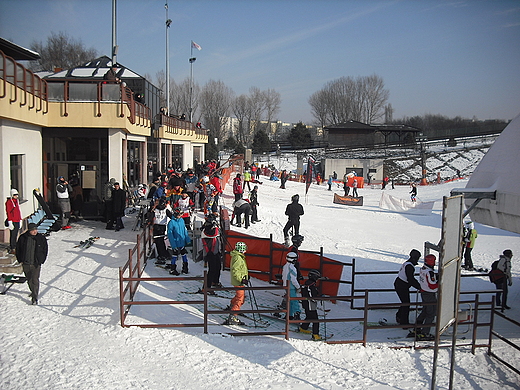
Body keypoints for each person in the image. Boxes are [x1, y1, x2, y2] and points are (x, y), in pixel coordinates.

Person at [16, 223, 48, 305]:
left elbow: (45, 250)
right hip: (26, 263)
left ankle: (35, 297)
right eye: (33, 230)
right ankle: (32, 291)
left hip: (36, 263)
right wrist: (20, 259)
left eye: (36, 229)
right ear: (29, 230)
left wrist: (41, 260)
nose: (35, 231)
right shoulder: (23, 238)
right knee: (29, 279)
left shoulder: (41, 238)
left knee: (35, 280)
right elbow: (18, 249)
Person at [412, 254, 438, 340]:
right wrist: (440, 283)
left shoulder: (423, 269)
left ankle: (417, 328)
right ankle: (425, 332)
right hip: (429, 293)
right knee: (431, 313)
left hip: (424, 292)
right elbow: (432, 285)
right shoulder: (430, 272)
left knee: (425, 311)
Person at [394, 249, 422, 326]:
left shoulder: (407, 264)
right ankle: (404, 323)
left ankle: (399, 316)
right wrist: (419, 287)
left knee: (405, 302)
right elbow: (410, 279)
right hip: (401, 286)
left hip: (400, 284)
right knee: (406, 304)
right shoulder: (409, 266)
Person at [226, 241, 249, 325]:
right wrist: (241, 279)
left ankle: (233, 307)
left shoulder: (238, 256)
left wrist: (245, 277)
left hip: (239, 280)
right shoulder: (238, 258)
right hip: (238, 281)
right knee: (240, 298)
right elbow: (236, 271)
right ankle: (233, 315)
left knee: (239, 296)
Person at [298, 269, 325, 341]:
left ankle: (303, 328)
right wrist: (319, 297)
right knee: (316, 320)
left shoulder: (307, 283)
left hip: (305, 303)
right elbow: (312, 296)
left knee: (309, 317)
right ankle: (315, 334)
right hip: (310, 304)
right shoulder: (311, 285)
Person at [166, 207, 191, 275]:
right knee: (175, 255)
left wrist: (187, 239)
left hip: (181, 241)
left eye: (180, 214)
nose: (179, 216)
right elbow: (170, 234)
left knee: (184, 254)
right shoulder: (171, 222)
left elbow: (184, 230)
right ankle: (172, 268)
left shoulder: (181, 220)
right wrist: (173, 245)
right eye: (178, 215)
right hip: (175, 242)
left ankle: (185, 267)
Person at [200, 215, 222, 290]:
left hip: (216, 251)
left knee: (218, 267)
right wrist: (215, 227)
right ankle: (206, 287)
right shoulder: (205, 230)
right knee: (211, 270)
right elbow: (214, 234)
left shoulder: (211, 227)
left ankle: (215, 281)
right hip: (209, 252)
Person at [151, 196, 171, 265]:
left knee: (161, 241)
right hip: (156, 225)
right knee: (157, 241)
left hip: (162, 226)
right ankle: (162, 254)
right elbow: (150, 215)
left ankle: (163, 254)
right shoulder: (155, 210)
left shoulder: (165, 210)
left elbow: (171, 216)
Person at [282, 251, 301, 320]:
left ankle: (289, 315)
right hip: (291, 287)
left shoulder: (285, 266)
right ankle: (297, 313)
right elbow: (293, 279)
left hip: (285, 286)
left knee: (289, 301)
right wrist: (298, 287)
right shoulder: (292, 268)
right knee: (294, 301)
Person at [5, 189, 22, 254]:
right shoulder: (9, 202)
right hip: (12, 220)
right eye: (15, 195)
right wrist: (10, 221)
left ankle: (15, 246)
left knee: (16, 234)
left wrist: (20, 219)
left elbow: (18, 211)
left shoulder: (16, 201)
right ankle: (12, 247)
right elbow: (8, 212)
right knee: (13, 234)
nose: (16, 196)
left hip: (17, 219)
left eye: (17, 194)